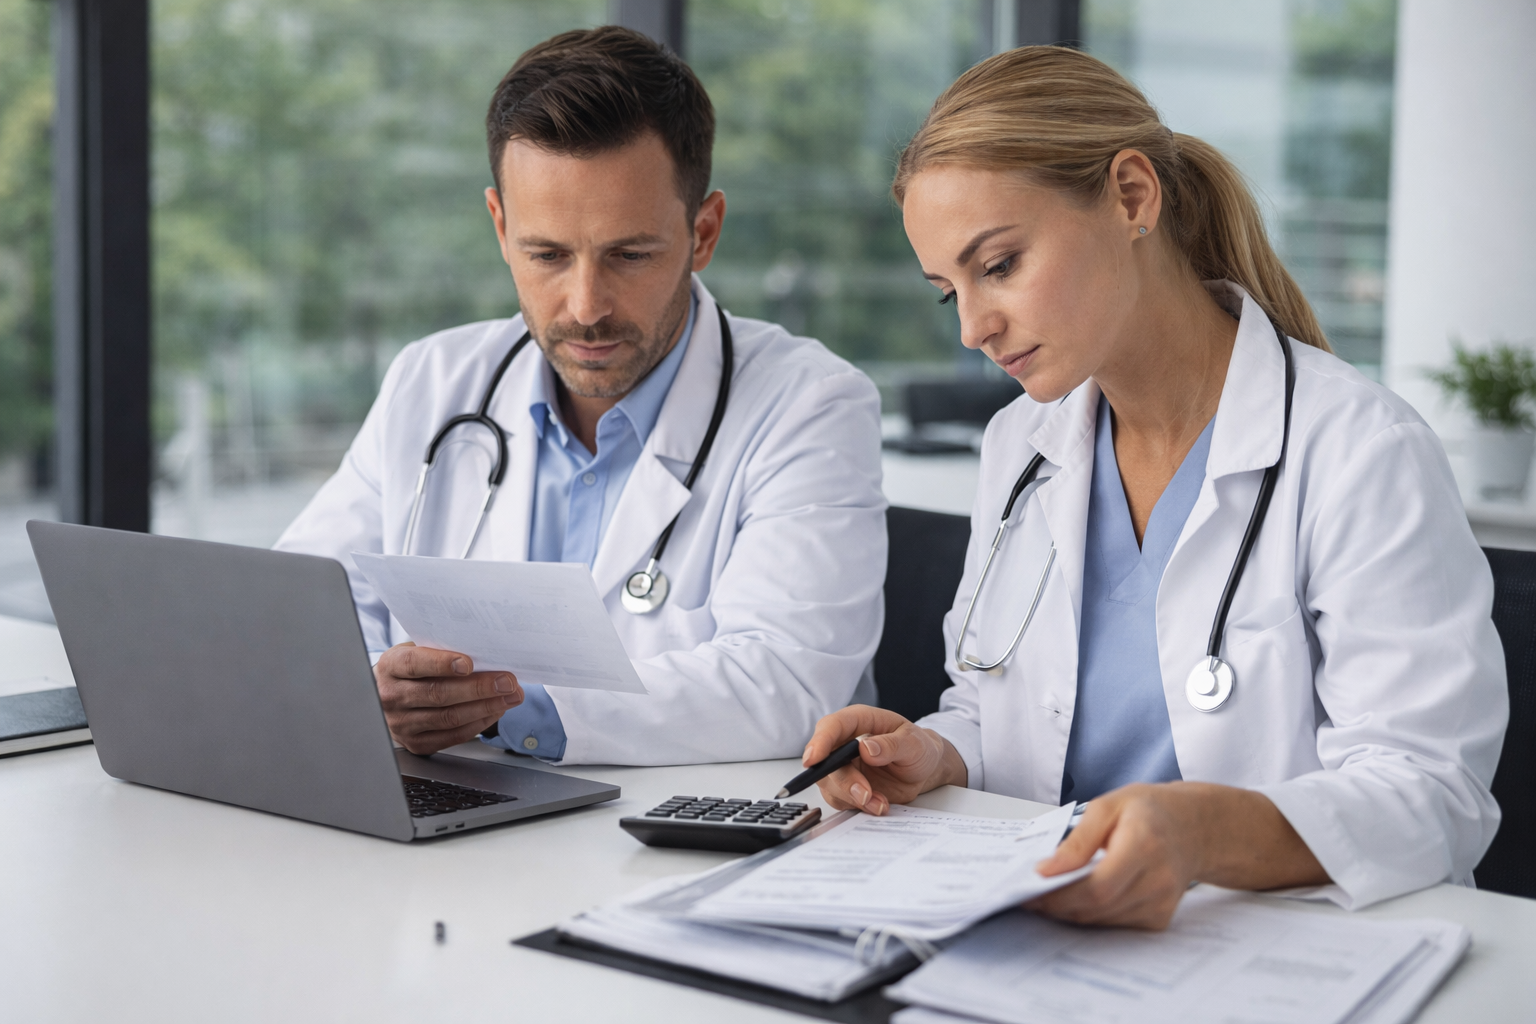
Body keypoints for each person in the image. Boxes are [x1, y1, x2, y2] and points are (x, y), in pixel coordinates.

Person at [805, 46, 1508, 928]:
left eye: (1001, 265)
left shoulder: (1361, 449)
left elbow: (1434, 792)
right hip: (1054, 928)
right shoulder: (1021, 446)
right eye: (950, 293)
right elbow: (1002, 707)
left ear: (1133, 196)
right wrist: (940, 753)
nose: (975, 330)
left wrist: (1205, 833)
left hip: (1284, 945)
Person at [276, 27, 886, 766]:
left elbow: (789, 681)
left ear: (704, 231)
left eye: (629, 255)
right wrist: (376, 687)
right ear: (501, 227)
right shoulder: (432, 381)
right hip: (454, 825)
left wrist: (502, 710)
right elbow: (304, 602)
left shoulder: (812, 404)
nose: (586, 304)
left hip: (674, 844)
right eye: (547, 255)